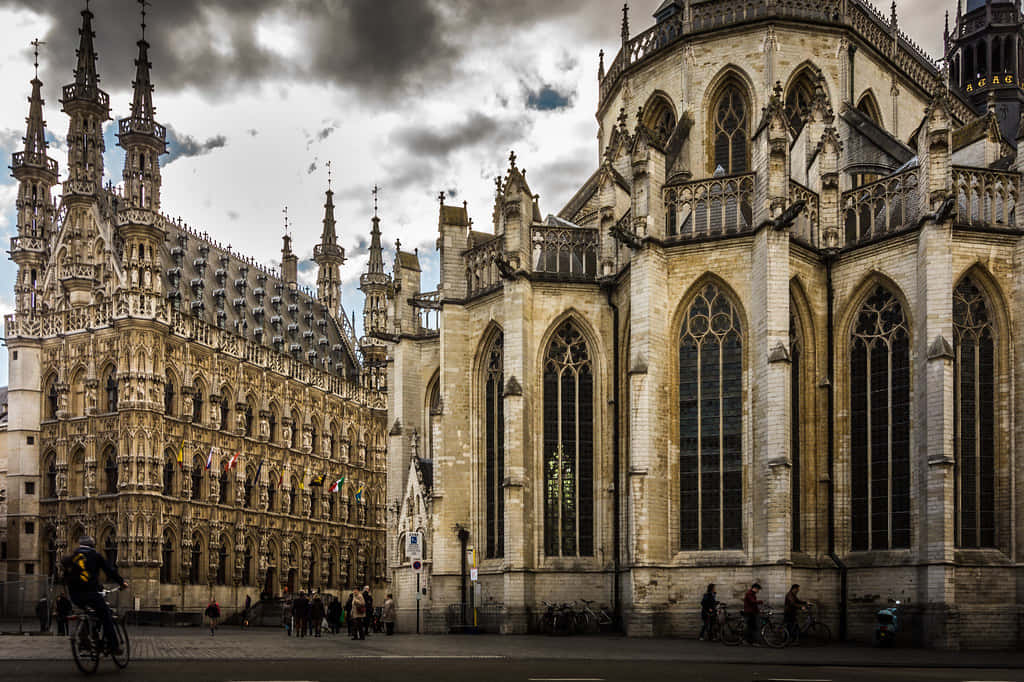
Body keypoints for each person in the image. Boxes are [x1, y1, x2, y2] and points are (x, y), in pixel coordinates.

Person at [61, 535, 127, 655]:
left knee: (84, 613)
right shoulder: (95, 556)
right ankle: (113, 646)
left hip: (74, 595)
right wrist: (121, 582)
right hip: (90, 593)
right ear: (92, 545)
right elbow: (109, 571)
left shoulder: (72, 557)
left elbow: (63, 571)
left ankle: (84, 643)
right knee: (105, 615)